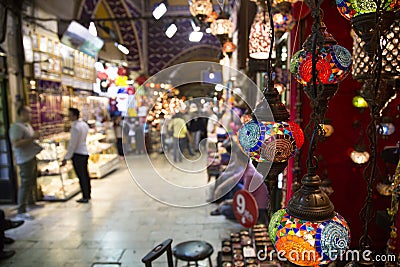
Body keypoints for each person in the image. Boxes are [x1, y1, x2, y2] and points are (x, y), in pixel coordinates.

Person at [210, 138, 270, 225]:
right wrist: (219, 188)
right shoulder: (248, 168)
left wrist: (226, 202)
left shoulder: (250, 174)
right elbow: (233, 179)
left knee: (224, 209)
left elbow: (244, 199)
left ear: (239, 159)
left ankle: (224, 206)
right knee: (233, 185)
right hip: (251, 200)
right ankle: (224, 204)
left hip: (257, 208)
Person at [9, 106, 43, 220]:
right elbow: (17, 143)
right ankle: (21, 210)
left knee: (31, 181)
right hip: (24, 159)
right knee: (25, 183)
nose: (31, 115)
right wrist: (32, 138)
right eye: (28, 113)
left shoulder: (27, 125)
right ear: (21, 113)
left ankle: (31, 202)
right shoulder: (16, 127)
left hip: (31, 156)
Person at [61, 108, 90, 203]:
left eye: (69, 115)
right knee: (85, 174)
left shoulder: (75, 128)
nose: (68, 117)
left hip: (78, 154)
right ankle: (87, 193)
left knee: (81, 176)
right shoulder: (84, 125)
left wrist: (66, 157)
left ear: (74, 116)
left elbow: (72, 144)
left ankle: (85, 196)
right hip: (84, 152)